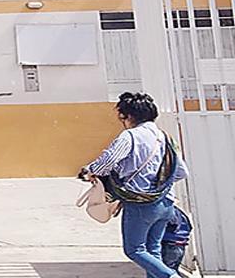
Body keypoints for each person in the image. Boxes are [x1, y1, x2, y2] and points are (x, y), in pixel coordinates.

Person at [78, 92, 189, 278]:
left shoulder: (130, 136)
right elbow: (181, 172)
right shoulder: (165, 137)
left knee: (134, 250)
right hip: (166, 203)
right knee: (152, 250)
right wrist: (157, 187)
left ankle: (172, 276)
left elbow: (107, 162)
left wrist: (89, 171)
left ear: (128, 116)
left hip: (140, 205)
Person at [161, 205, 192, 272]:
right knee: (172, 270)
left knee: (164, 271)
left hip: (168, 245)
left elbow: (173, 224)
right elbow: (189, 227)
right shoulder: (179, 212)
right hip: (179, 245)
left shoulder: (167, 211)